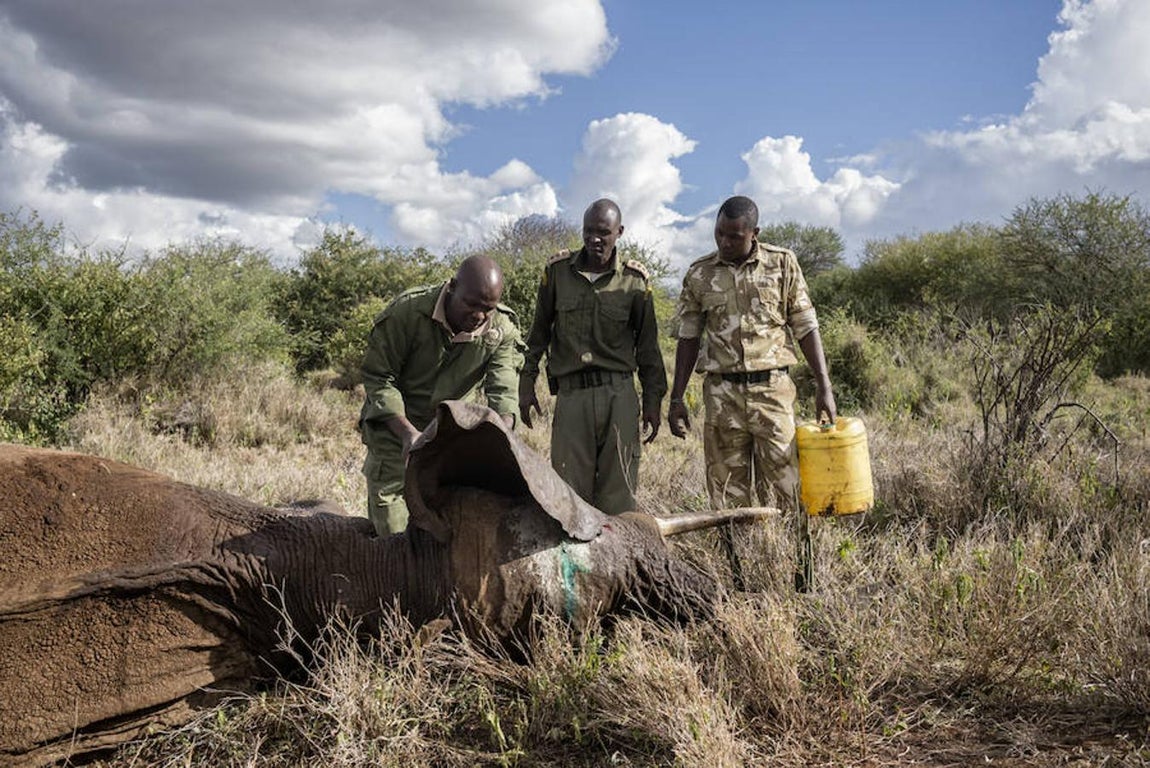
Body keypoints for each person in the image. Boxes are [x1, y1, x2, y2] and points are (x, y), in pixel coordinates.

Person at [667, 195, 836, 591]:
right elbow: (688, 339)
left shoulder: (782, 263)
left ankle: (802, 577)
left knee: (788, 490)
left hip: (773, 393)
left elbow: (806, 326)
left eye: (735, 236)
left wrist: (824, 385)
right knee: (727, 498)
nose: (725, 242)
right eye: (720, 233)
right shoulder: (699, 274)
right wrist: (676, 399)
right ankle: (738, 582)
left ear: (754, 234)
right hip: (722, 397)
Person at [518, 199, 667, 514]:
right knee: (568, 497)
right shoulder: (557, 272)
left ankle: (613, 563)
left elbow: (649, 348)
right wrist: (526, 381)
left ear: (619, 232)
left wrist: (653, 400)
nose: (595, 239)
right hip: (572, 397)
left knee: (619, 497)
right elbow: (539, 333)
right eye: (588, 231)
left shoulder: (634, 281)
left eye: (603, 232)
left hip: (619, 395)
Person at [358, 255, 523, 535]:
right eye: (471, 304)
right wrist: (408, 435)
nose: (479, 316)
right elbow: (379, 377)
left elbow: (503, 389)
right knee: (393, 534)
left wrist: (501, 434)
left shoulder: (501, 329)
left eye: (488, 308)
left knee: (449, 527)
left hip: (452, 433)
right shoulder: (407, 313)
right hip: (396, 428)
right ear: (452, 287)